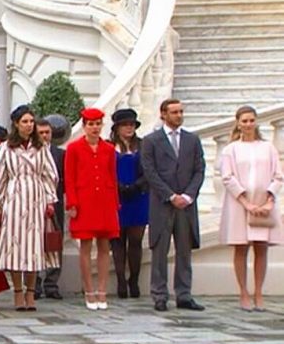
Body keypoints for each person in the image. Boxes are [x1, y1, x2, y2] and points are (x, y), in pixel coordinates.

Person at [0, 105, 58, 312]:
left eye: (31, 121)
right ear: (16, 124)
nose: (29, 125)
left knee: (33, 247)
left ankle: (31, 292)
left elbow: (50, 174)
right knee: (15, 247)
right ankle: (18, 291)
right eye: (25, 122)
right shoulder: (6, 147)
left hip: (36, 197)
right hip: (14, 198)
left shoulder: (41, 147)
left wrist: (49, 200)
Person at [141, 98, 206, 312]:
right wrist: (170, 195)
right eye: (174, 112)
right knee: (160, 250)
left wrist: (188, 195)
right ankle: (159, 294)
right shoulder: (151, 141)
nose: (179, 115)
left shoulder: (192, 140)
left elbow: (199, 169)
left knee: (184, 250)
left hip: (186, 205)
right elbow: (150, 171)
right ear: (163, 114)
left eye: (181, 112)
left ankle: (184, 294)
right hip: (162, 204)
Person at [218, 105, 283, 312]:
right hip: (240, 204)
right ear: (238, 123)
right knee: (241, 247)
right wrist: (247, 203)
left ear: (256, 122)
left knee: (261, 247)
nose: (248, 124)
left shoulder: (268, 148)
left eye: (251, 120)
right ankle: (244, 292)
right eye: (244, 121)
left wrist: (269, 201)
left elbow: (278, 176)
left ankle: (259, 293)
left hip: (264, 204)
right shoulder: (231, 149)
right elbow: (227, 177)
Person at [65, 108, 120, 310]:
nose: (95, 128)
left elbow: (113, 176)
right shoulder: (74, 148)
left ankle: (102, 290)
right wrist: (72, 203)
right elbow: (69, 177)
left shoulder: (109, 149)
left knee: (105, 246)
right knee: (86, 246)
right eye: (91, 124)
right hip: (84, 200)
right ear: (84, 126)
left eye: (97, 124)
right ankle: (88, 290)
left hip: (105, 200)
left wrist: (115, 202)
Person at [109, 109, 149, 299]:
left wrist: (137, 185)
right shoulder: (110, 147)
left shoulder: (143, 146)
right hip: (116, 196)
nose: (129, 128)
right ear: (117, 128)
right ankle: (120, 281)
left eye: (132, 125)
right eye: (125, 125)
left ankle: (134, 279)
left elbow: (150, 169)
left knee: (135, 240)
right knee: (117, 241)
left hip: (138, 195)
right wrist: (118, 187)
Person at [34, 118, 65, 300]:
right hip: (33, 203)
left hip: (56, 204)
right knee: (34, 242)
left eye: (47, 133)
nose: (45, 136)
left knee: (55, 242)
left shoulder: (60, 154)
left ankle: (52, 283)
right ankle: (35, 283)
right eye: (41, 133)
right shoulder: (30, 152)